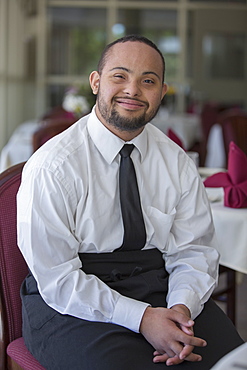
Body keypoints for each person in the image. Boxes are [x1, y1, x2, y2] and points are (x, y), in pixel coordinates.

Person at [17, 35, 243, 370]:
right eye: (119, 76)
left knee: (231, 359)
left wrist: (180, 309)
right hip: (72, 299)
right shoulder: (53, 166)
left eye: (147, 81)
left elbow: (193, 251)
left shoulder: (176, 162)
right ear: (96, 83)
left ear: (162, 93)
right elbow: (57, 278)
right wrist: (143, 319)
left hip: (158, 284)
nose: (133, 90)